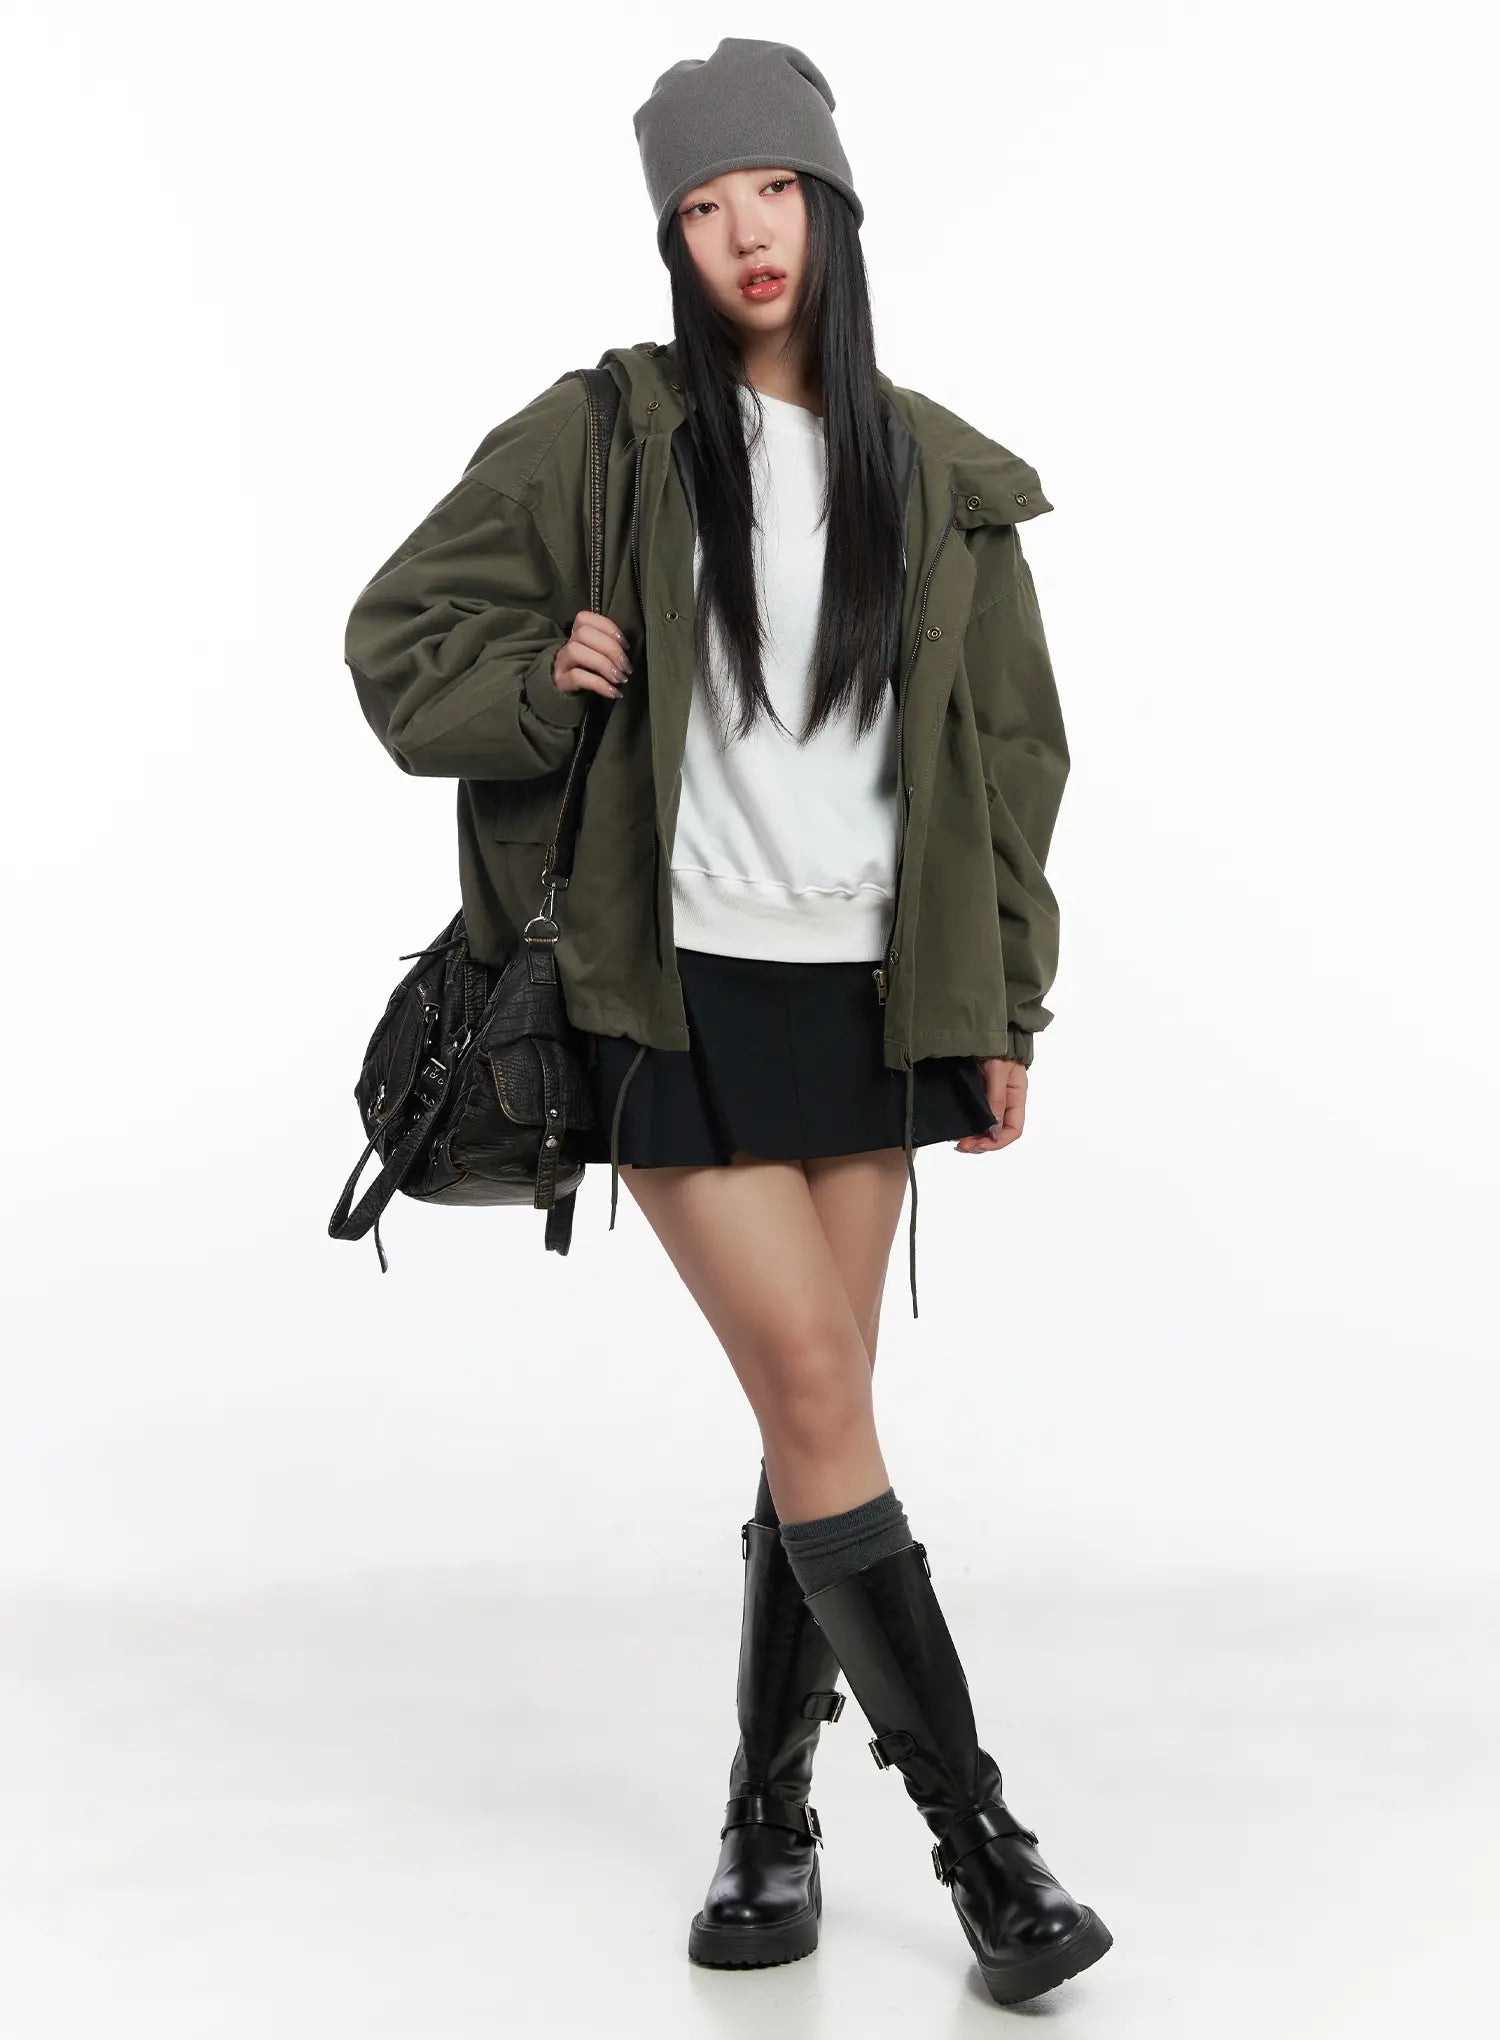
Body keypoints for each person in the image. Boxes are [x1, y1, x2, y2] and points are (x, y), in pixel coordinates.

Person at [342, 33, 1111, 2011]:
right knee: (821, 1394)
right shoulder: (606, 436)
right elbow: (400, 636)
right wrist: (545, 676)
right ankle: (986, 1849)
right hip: (672, 990)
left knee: (809, 1419)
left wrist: (1006, 999)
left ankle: (770, 1819)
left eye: (769, 189)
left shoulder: (935, 473)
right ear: (673, 240)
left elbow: (1011, 761)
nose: (742, 232)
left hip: (878, 995)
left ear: (829, 204)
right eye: (700, 206)